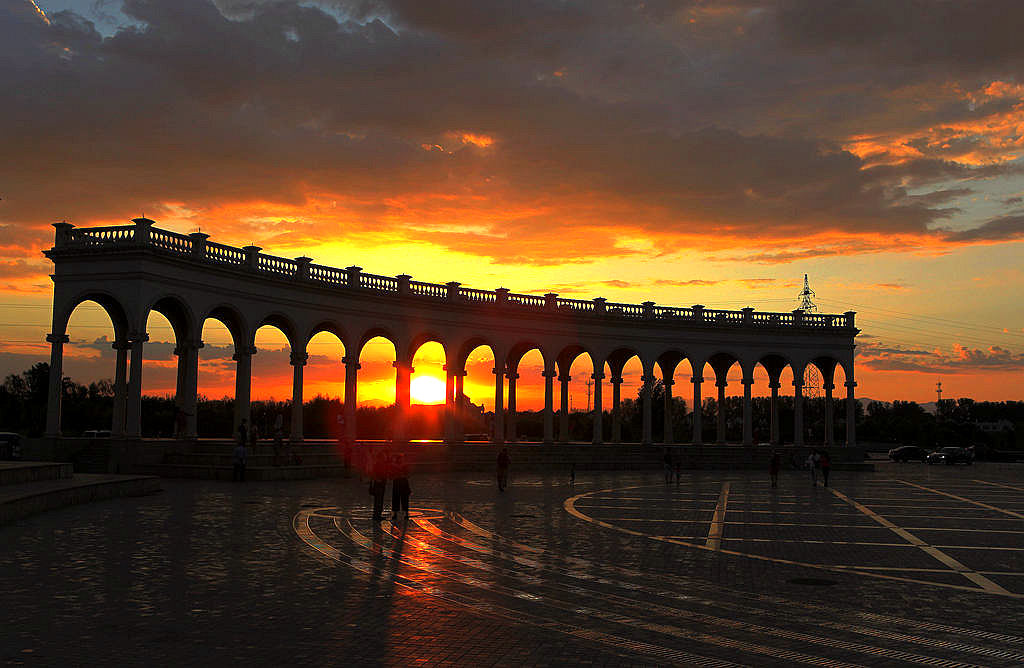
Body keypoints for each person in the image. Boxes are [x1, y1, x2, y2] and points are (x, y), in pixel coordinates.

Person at [391, 453, 411, 519]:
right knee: (398, 498)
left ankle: (402, 513)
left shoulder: (404, 466)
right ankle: (400, 513)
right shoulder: (396, 466)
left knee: (402, 498)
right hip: (400, 483)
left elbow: (408, 475)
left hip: (401, 483)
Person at [370, 449, 387, 521]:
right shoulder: (377, 465)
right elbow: (373, 474)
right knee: (378, 501)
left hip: (382, 484)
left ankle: (378, 514)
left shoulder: (381, 464)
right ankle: (376, 515)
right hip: (378, 484)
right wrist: (377, 479)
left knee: (380, 500)